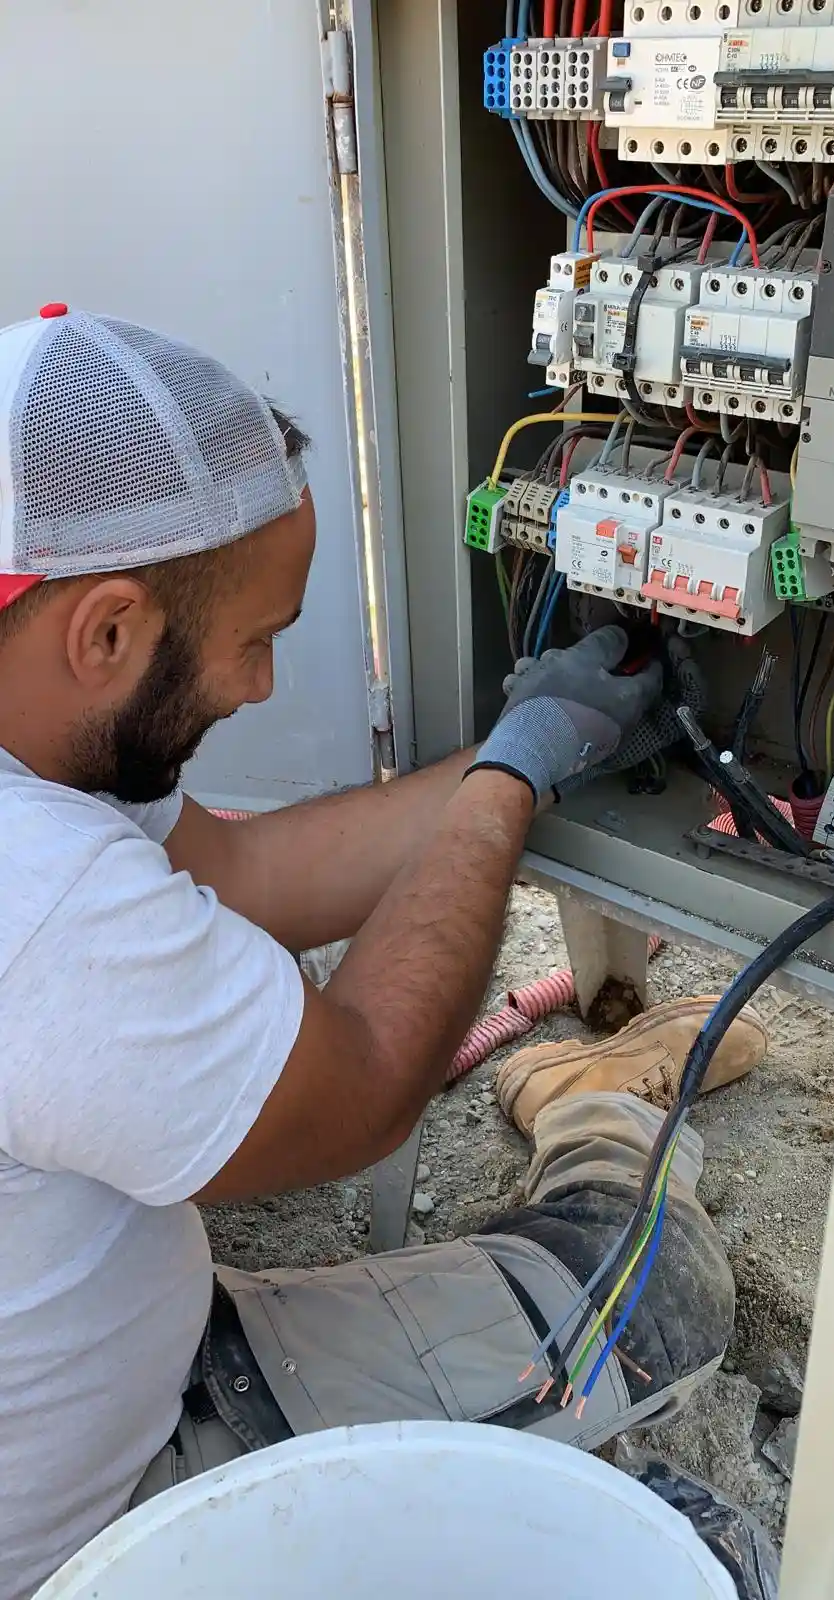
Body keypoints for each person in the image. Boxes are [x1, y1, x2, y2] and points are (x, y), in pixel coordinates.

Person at [0, 306, 767, 1600]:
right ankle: (595, 1116)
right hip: (104, 1517)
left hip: (97, 1385)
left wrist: (522, 746)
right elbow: (365, 1080)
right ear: (107, 632)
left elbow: (246, 874)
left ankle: (581, 1101)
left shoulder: (39, 750)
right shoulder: (41, 902)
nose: (259, 686)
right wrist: (503, 793)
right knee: (657, 1300)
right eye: (255, 641)